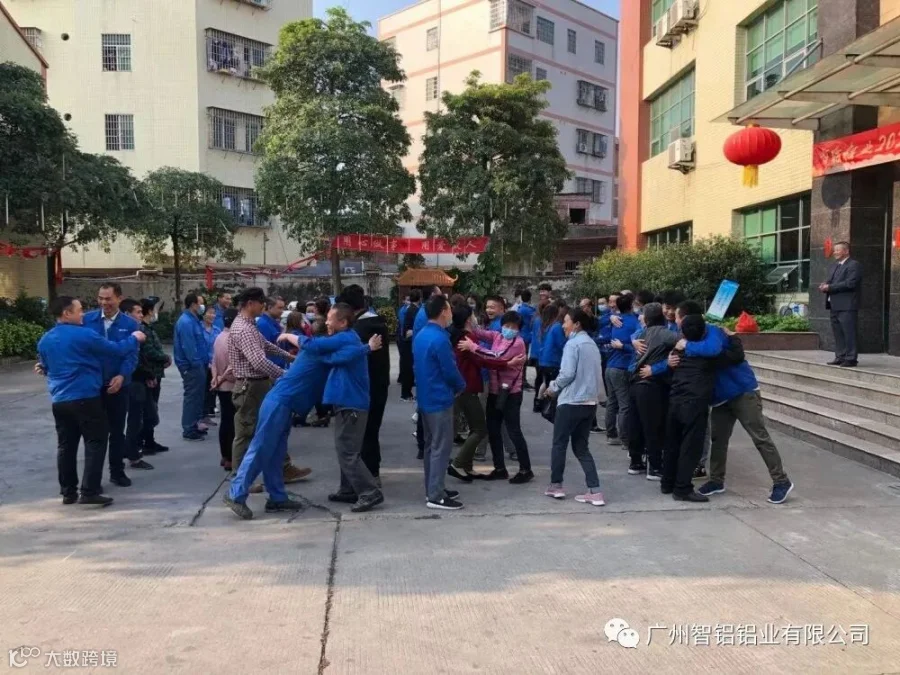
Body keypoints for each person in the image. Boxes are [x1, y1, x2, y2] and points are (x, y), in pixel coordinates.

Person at [224, 323, 384, 520]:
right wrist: (367, 347)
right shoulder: (319, 352)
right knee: (261, 448)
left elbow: (340, 355)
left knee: (275, 453)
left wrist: (365, 348)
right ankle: (236, 493)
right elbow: (341, 356)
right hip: (279, 403)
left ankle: (277, 498)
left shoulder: (319, 352)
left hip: (282, 403)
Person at [38, 296, 145, 506]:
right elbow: (116, 350)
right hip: (85, 397)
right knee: (96, 441)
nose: (83, 314)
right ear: (67, 313)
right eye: (79, 310)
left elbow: (45, 367)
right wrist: (135, 338)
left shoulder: (46, 339)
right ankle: (89, 490)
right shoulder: (85, 335)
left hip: (59, 400)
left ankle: (68, 491)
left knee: (66, 445)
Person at [693, 327, 795, 504]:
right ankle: (716, 480)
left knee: (759, 437)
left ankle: (781, 481)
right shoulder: (691, 338)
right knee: (718, 440)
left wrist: (687, 345)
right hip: (720, 398)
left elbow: (720, 353)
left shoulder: (713, 334)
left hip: (743, 392)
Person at [228, 288, 308, 486]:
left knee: (275, 426)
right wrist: (285, 375)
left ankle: (283, 468)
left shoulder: (250, 325)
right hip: (250, 387)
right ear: (250, 304)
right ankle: (240, 479)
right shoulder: (244, 328)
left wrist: (289, 358)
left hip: (259, 385)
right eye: (261, 303)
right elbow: (258, 361)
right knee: (246, 433)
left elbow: (265, 345)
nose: (263, 306)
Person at [313, 303, 386, 512]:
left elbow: (317, 348)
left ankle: (369, 491)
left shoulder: (347, 339)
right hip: (347, 403)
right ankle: (349, 489)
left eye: (330, 318)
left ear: (343, 322)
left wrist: (295, 339)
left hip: (351, 404)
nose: (326, 322)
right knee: (344, 449)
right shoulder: (348, 339)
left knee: (348, 451)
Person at [447, 306, 525, 482]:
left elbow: (486, 338)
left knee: (477, 427)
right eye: (473, 315)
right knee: (480, 429)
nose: (477, 318)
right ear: (468, 319)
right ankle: (458, 463)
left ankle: (467, 467)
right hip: (468, 388)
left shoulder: (464, 335)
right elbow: (485, 359)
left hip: (468, 387)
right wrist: (507, 364)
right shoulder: (469, 339)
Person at [662, 308, 731, 502]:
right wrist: (730, 336)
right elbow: (732, 354)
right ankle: (682, 488)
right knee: (691, 447)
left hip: (675, 399)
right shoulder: (708, 354)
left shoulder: (677, 350)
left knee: (673, 443)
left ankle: (667, 482)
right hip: (695, 402)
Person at [542, 307, 606, 505]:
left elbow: (567, 373)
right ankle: (595, 490)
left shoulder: (573, 344)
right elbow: (597, 374)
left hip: (571, 401)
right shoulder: (592, 344)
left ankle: (556, 485)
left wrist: (552, 388)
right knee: (581, 447)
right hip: (589, 403)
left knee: (559, 444)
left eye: (566, 321)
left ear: (576, 324)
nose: (563, 325)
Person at [83, 282, 141, 487]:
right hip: (92, 387)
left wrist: (122, 376)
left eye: (108, 299)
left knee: (116, 431)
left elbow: (131, 355)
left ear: (119, 299)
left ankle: (117, 471)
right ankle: (93, 479)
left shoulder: (130, 324)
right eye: (100, 298)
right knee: (94, 434)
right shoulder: (86, 320)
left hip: (119, 386)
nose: (103, 302)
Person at [414, 294, 467, 510]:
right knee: (441, 448)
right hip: (439, 398)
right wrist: (460, 386)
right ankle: (436, 495)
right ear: (443, 311)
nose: (452, 312)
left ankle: (434, 488)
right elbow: (449, 370)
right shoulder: (440, 339)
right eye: (449, 308)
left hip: (426, 397)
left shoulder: (422, 335)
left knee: (431, 446)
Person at [339, 285, 390, 484]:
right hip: (379, 384)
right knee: (371, 431)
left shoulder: (359, 329)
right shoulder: (376, 322)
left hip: (365, 387)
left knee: (363, 433)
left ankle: (368, 477)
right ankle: (373, 472)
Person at [625, 303, 677, 479]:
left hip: (634, 384)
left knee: (636, 424)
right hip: (652, 386)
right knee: (653, 426)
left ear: (646, 319)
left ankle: (635, 462)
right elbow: (683, 343)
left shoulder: (641, 334)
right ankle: (654, 467)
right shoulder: (665, 333)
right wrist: (663, 365)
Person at [119, 299, 155, 471]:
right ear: (127, 314)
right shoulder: (127, 333)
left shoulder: (137, 330)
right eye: (138, 312)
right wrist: (147, 373)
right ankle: (132, 454)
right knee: (135, 420)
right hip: (132, 381)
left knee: (145, 417)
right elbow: (134, 359)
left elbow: (141, 357)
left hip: (138, 379)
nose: (141, 315)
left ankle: (129, 449)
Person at [604, 294, 640, 447]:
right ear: (631, 305)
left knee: (612, 402)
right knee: (625, 404)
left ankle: (611, 434)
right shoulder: (634, 323)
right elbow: (638, 347)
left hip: (610, 367)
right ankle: (625, 438)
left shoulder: (616, 320)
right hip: (622, 367)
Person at [819, 241, 862, 367]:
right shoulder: (835, 265)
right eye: (835, 250)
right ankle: (840, 356)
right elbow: (831, 281)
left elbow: (850, 283)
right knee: (838, 333)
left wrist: (830, 287)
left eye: (838, 250)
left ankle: (851, 358)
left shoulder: (854, 265)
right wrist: (824, 285)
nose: (835, 252)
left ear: (846, 251)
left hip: (847, 305)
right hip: (834, 305)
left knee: (849, 332)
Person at [174, 293, 210, 442]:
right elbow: (189, 347)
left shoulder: (194, 320)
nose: (202, 306)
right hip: (192, 366)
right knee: (192, 397)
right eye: (200, 303)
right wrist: (196, 364)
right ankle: (189, 429)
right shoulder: (186, 322)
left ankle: (194, 424)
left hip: (198, 364)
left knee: (197, 397)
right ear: (193, 304)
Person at [138, 298, 170, 455]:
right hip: (150, 374)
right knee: (148, 410)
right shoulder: (143, 329)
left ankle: (149, 440)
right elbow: (148, 351)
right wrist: (164, 357)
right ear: (150, 311)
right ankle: (144, 442)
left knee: (152, 408)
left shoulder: (149, 328)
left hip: (155, 372)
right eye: (155, 309)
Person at [211, 308, 238, 472]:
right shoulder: (233, 339)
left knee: (225, 421)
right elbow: (232, 367)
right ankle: (230, 457)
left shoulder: (219, 337)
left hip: (222, 386)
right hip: (231, 385)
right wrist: (220, 379)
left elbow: (214, 361)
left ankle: (225, 455)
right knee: (233, 423)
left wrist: (215, 378)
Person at [535, 302, 566, 413]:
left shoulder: (546, 326)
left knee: (546, 382)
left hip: (544, 360)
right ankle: (549, 408)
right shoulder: (557, 326)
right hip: (553, 361)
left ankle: (539, 403)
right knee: (552, 386)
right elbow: (561, 344)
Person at [399, 289, 420, 401]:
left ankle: (406, 393)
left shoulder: (409, 309)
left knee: (407, 367)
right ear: (420, 298)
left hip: (406, 341)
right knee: (408, 368)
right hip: (409, 342)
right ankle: (406, 394)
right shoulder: (414, 310)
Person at [202, 305, 221, 424]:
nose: (212, 315)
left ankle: (206, 414)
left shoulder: (217, 330)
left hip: (214, 365)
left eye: (214, 313)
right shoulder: (198, 329)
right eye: (209, 312)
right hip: (202, 364)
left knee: (211, 390)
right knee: (202, 391)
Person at [258, 296, 288, 368]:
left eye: (283, 308)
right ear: (270, 307)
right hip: (273, 368)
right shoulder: (263, 324)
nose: (282, 311)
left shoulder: (273, 323)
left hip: (279, 366)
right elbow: (265, 351)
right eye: (280, 308)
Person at [517, 290, 536, 389]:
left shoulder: (519, 309)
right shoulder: (530, 310)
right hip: (527, 337)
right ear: (530, 298)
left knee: (522, 359)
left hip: (521, 335)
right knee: (523, 360)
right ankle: (523, 380)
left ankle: (521, 379)